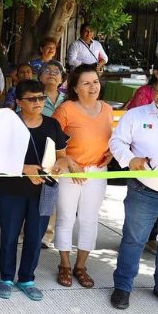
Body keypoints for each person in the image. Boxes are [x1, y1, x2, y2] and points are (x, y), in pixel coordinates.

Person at [109, 71, 158, 313]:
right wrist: (130, 159)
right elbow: (116, 142)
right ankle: (123, 287)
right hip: (144, 192)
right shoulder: (136, 115)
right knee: (133, 240)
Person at [0, 80, 72, 302]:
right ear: (19, 102)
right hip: (11, 190)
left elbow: (62, 155)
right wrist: (23, 168)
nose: (38, 102)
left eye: (41, 97)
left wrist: (62, 165)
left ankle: (27, 278)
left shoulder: (52, 124)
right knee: (9, 235)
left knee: (35, 236)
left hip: (44, 190)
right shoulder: (8, 125)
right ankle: (6, 278)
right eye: (32, 98)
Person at [51, 64, 113, 289]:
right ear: (75, 88)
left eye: (95, 81)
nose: (92, 86)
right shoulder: (66, 109)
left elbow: (111, 138)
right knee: (66, 218)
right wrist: (69, 162)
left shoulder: (106, 109)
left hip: (96, 172)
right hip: (69, 172)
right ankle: (65, 265)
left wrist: (111, 152)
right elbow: (53, 140)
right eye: (86, 83)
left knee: (89, 219)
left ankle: (81, 266)